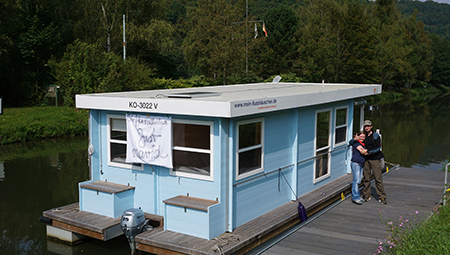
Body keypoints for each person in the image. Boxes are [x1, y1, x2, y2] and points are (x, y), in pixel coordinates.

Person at [361, 120, 387, 204]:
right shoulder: (364, 136)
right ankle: (366, 195)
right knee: (366, 178)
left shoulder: (376, 136)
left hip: (375, 159)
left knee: (378, 178)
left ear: (371, 126)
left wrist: (368, 152)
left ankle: (382, 197)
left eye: (368, 126)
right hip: (366, 160)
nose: (367, 127)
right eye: (365, 126)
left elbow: (377, 149)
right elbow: (353, 142)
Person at [350, 131, 367, 205]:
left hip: (361, 164)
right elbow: (363, 152)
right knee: (356, 181)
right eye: (361, 136)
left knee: (359, 180)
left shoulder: (363, 144)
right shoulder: (356, 143)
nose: (362, 138)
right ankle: (355, 197)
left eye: (364, 136)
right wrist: (373, 151)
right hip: (356, 164)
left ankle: (358, 196)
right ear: (358, 136)